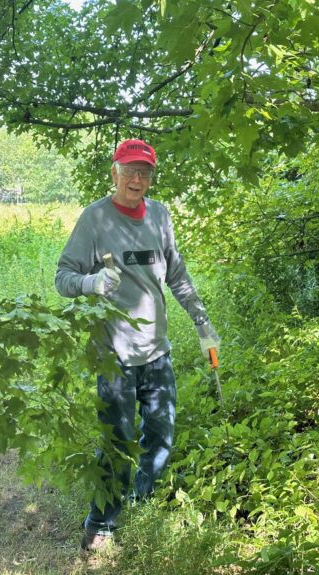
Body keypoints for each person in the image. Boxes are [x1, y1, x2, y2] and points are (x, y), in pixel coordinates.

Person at [55, 138, 220, 552]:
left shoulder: (160, 216)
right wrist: (92, 283)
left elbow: (177, 276)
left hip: (156, 350)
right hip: (113, 354)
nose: (136, 178)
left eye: (144, 171)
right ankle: (100, 525)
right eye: (129, 170)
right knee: (117, 441)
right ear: (114, 172)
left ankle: (139, 503)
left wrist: (203, 323)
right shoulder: (94, 220)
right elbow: (63, 278)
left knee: (161, 435)